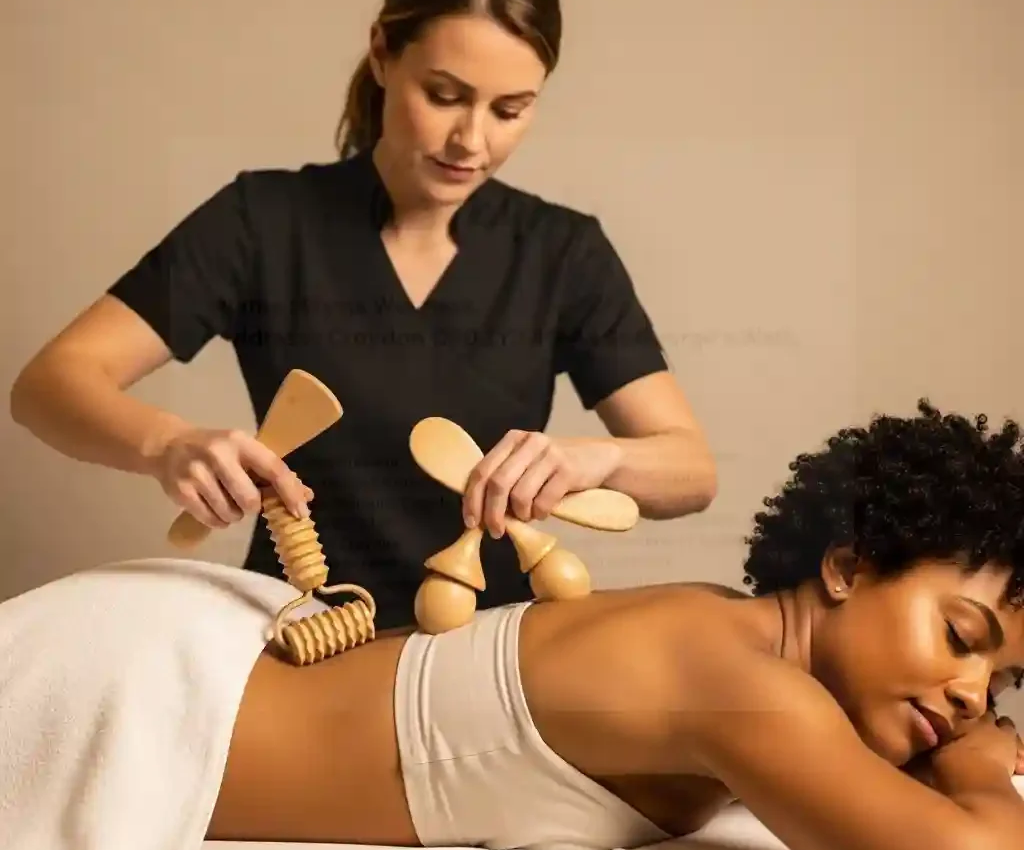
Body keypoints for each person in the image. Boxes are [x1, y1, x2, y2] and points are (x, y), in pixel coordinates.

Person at [7, 0, 716, 630]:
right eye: (444, 95)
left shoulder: (563, 252)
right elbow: (49, 384)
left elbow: (690, 470)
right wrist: (165, 444)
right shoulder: (263, 221)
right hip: (297, 644)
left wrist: (593, 460)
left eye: (510, 110)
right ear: (382, 52)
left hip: (489, 658)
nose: (472, 140)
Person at [2, 398, 1024, 850]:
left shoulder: (733, 643)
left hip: (214, 658)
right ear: (847, 566)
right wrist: (981, 766)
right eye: (962, 637)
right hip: (142, 690)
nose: (975, 696)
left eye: (1003, 682)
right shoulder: (741, 683)